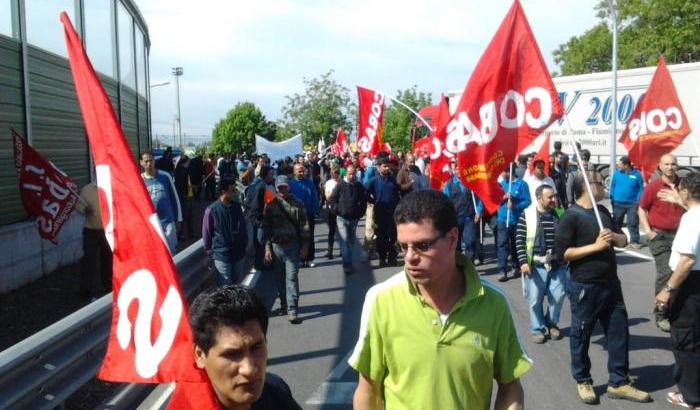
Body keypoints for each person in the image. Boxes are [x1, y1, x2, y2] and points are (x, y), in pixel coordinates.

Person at [350, 190, 531, 409]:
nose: (409, 257)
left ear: (452, 239)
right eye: (402, 246)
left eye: (422, 246)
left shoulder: (493, 303)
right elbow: (368, 389)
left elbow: (510, 386)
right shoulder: (381, 299)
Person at [555, 171, 651, 404]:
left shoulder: (604, 212)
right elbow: (563, 254)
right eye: (600, 181)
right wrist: (596, 247)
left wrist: (616, 239)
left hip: (611, 284)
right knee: (581, 334)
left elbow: (622, 239)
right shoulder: (571, 216)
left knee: (619, 333)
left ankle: (619, 381)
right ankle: (583, 380)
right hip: (585, 286)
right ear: (587, 186)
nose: (604, 185)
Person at [169, 285, 302, 409]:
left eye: (256, 348)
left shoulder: (275, 391)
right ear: (199, 355)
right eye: (231, 354)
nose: (249, 370)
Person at [655, 173, 700, 410]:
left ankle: (692, 397)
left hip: (690, 284)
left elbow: (686, 261)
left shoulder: (691, 219)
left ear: (685, 192)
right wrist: (680, 201)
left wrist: (667, 289)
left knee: (685, 340)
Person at [639, 154, 687, 333]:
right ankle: (661, 313)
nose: (670, 167)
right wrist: (648, 231)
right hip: (660, 237)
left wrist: (679, 199)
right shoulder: (654, 187)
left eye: (673, 164)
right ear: (660, 166)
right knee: (665, 273)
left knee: (681, 273)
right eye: (666, 164)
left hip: (681, 237)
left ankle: (676, 308)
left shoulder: (684, 185)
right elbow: (642, 208)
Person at [515, 184, 566, 344]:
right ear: (539, 197)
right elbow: (519, 239)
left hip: (557, 264)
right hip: (535, 266)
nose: (553, 200)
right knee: (535, 299)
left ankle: (551, 323)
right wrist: (523, 261)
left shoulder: (560, 213)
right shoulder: (527, 214)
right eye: (549, 197)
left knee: (558, 296)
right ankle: (537, 328)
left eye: (554, 196)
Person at [263, 175, 310, 324]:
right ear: (276, 188)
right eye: (279, 187)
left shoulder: (298, 204)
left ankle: (292, 308)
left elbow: (305, 227)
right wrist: (267, 248)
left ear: (288, 187)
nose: (282, 190)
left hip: (293, 247)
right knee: (279, 279)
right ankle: (284, 303)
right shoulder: (270, 206)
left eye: (284, 187)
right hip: (277, 248)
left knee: (291, 278)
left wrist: (305, 246)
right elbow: (267, 229)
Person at [202, 179, 248, 286]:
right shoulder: (212, 210)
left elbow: (243, 228)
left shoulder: (237, 207)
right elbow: (206, 233)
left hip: (238, 253)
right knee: (225, 286)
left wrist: (244, 244)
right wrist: (210, 252)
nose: (234, 193)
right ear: (223, 192)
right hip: (221, 255)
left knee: (237, 285)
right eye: (232, 191)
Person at [75, 182, 112, 300]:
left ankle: (109, 285)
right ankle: (85, 289)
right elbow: (78, 206)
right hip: (90, 230)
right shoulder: (87, 189)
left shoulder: (111, 186)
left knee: (108, 259)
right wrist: (85, 209)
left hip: (107, 230)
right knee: (88, 260)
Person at [329, 164, 368, 275]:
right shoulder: (341, 185)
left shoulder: (358, 186)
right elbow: (332, 199)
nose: (352, 176)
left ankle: (348, 261)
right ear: (346, 173)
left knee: (350, 241)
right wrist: (337, 210)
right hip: (342, 218)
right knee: (345, 240)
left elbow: (363, 200)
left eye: (353, 174)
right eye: (349, 174)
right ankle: (347, 265)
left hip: (354, 219)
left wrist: (361, 212)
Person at [140, 152, 182, 254]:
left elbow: (174, 198)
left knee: (171, 252)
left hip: (168, 222)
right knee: (155, 253)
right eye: (146, 161)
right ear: (141, 163)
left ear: (154, 161)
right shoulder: (139, 180)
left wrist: (178, 219)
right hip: (151, 224)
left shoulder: (165, 176)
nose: (149, 163)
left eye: (151, 160)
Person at [496, 165, 531, 282]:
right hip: (502, 218)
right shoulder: (501, 185)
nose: (501, 174)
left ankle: (516, 265)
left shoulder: (522, 184)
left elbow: (527, 201)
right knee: (502, 244)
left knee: (516, 244)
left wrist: (515, 205)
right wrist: (503, 197)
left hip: (516, 220)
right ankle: (502, 270)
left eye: (502, 172)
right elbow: (494, 200)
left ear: (509, 171)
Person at [443, 159, 482, 262]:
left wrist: (478, 211)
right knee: (456, 244)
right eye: (456, 169)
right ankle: (457, 264)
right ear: (453, 170)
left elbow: (478, 199)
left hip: (469, 217)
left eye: (461, 169)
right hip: (454, 218)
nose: (459, 171)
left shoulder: (471, 182)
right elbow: (445, 201)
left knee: (470, 241)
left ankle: (469, 264)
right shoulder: (449, 184)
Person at [366, 156, 401, 267]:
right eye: (384, 166)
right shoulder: (374, 180)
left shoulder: (393, 179)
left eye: (388, 166)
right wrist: (373, 201)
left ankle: (392, 257)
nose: (387, 168)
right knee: (381, 236)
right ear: (378, 167)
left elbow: (398, 192)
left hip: (393, 212)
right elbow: (364, 192)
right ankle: (382, 257)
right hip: (380, 212)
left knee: (393, 236)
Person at [244, 165, 274, 273]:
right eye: (271, 174)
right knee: (260, 242)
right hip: (258, 220)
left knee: (259, 242)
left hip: (255, 219)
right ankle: (259, 264)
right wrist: (260, 222)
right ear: (265, 174)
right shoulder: (261, 186)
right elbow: (255, 206)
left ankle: (259, 263)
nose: (272, 176)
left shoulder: (257, 183)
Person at [289, 163, 319, 268]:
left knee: (310, 237)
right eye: (299, 171)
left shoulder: (309, 182)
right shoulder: (291, 184)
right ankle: (300, 259)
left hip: (309, 214)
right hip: (296, 216)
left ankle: (310, 258)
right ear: (294, 172)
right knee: (298, 238)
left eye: (302, 171)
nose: (301, 173)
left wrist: (314, 210)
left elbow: (315, 196)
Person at [610, 156, 644, 249]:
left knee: (632, 222)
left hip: (632, 204)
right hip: (617, 203)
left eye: (620, 165)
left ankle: (634, 241)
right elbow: (612, 186)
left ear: (626, 165)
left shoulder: (637, 174)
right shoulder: (617, 174)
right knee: (616, 222)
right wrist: (612, 197)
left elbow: (641, 188)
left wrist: (638, 200)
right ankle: (618, 239)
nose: (618, 166)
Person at [323, 166, 341, 259]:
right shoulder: (329, 183)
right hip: (332, 209)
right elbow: (327, 197)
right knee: (332, 230)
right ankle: (330, 251)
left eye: (337, 172)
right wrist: (335, 192)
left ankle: (342, 250)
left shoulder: (342, 182)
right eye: (333, 173)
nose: (335, 174)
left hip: (341, 209)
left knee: (342, 231)